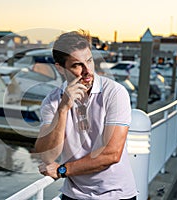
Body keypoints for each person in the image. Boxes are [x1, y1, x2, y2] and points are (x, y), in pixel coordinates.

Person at [35, 30, 137, 200]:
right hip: (73, 195)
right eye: (77, 65)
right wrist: (63, 109)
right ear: (60, 68)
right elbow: (47, 155)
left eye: (89, 61)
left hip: (116, 195)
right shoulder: (52, 101)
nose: (87, 71)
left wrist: (63, 170)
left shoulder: (115, 93)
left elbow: (111, 154)